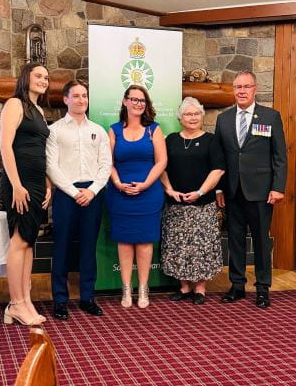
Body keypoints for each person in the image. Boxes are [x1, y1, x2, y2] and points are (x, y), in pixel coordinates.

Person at [215, 70, 287, 308]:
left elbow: (279, 156)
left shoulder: (270, 116)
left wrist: (278, 187)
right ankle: (237, 286)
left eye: (247, 86)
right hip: (232, 191)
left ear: (255, 89)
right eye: (238, 87)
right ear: (233, 90)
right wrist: (219, 190)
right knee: (235, 239)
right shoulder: (223, 119)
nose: (242, 91)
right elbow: (220, 158)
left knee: (260, 241)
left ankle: (263, 288)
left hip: (261, 192)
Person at [46, 80, 111, 319]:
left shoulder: (98, 130)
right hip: (65, 194)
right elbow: (51, 166)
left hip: (93, 194)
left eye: (84, 95)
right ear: (66, 99)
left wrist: (92, 191)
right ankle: (60, 300)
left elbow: (106, 165)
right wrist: (74, 192)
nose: (81, 100)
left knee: (88, 247)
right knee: (61, 246)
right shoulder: (54, 131)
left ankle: (88, 297)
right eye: (76, 96)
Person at [106, 85, 167, 309]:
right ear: (125, 102)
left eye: (142, 100)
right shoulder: (113, 130)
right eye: (134, 99)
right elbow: (108, 162)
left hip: (148, 194)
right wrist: (117, 183)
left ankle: (143, 288)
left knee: (144, 242)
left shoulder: (154, 129)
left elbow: (161, 162)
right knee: (124, 242)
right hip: (119, 193)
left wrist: (145, 185)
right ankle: (126, 289)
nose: (138, 103)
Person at [161, 97, 225, 305]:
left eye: (197, 113)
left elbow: (218, 170)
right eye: (188, 114)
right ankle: (184, 286)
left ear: (202, 116)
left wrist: (199, 191)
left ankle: (200, 288)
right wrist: (169, 189)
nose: (193, 117)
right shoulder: (170, 140)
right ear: (180, 118)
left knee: (201, 247)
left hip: (202, 204)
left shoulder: (211, 140)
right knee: (178, 246)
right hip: (175, 206)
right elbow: (160, 167)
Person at [0, 63, 51, 326]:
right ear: (26, 78)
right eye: (38, 76)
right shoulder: (14, 104)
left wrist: (48, 184)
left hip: (36, 183)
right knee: (19, 241)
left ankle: (25, 299)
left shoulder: (39, 110)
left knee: (29, 241)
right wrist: (17, 185)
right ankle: (15, 303)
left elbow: (40, 152)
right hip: (18, 183)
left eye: (46, 77)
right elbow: (5, 146)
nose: (44, 80)